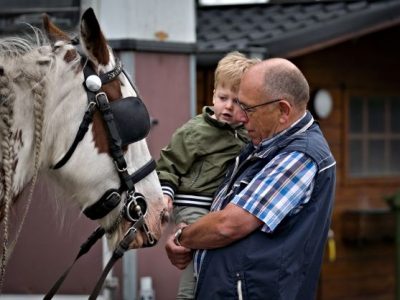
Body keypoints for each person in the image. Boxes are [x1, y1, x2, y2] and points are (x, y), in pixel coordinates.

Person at [165, 58, 336, 300]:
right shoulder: (263, 143)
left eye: (248, 109)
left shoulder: (301, 156)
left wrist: (183, 237)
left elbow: (228, 225)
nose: (241, 118)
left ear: (283, 111)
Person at [157, 51, 260, 299]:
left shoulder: (247, 135)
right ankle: (186, 296)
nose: (228, 106)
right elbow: (168, 164)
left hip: (220, 208)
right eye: (223, 97)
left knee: (218, 256)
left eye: (237, 102)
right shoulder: (195, 132)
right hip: (193, 204)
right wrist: (166, 194)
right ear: (213, 93)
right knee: (198, 253)